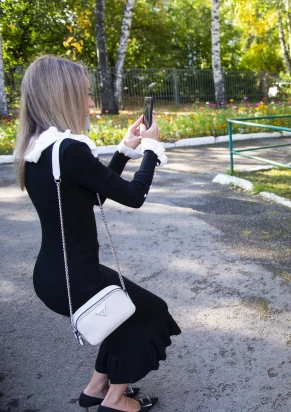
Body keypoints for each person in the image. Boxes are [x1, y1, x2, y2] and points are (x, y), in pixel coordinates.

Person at [13, 55, 180, 412]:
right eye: (85, 95)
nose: (90, 103)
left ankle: (95, 389)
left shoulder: (40, 150)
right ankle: (115, 400)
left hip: (55, 275)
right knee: (148, 313)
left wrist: (125, 150)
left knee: (121, 316)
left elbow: (92, 193)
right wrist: (152, 149)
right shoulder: (69, 150)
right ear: (64, 97)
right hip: (78, 277)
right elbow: (133, 197)